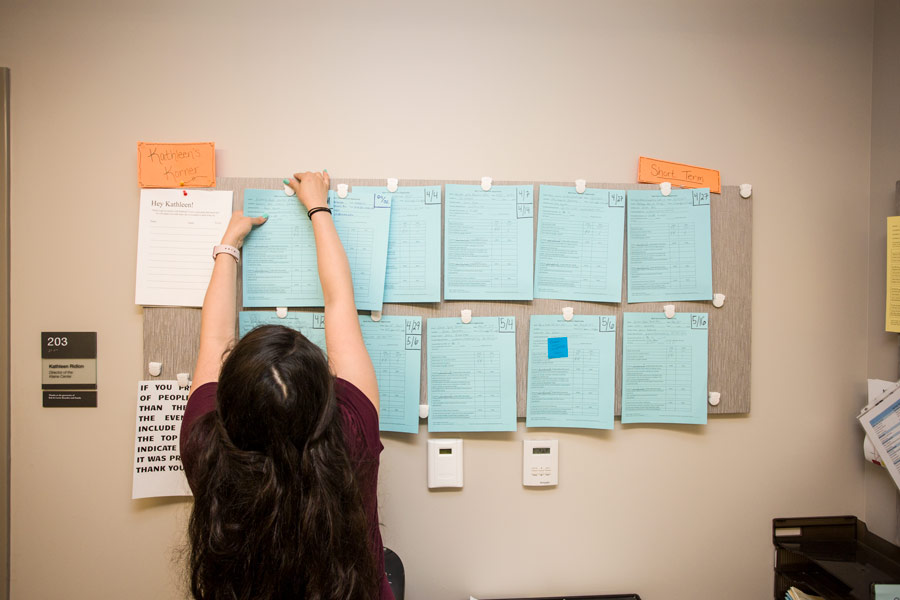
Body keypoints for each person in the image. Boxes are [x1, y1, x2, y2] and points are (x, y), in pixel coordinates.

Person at [179, 171, 394, 600]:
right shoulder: (352, 430)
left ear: (231, 399)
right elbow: (339, 303)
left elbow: (215, 338)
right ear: (324, 394)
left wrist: (228, 247)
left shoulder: (206, 445)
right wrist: (318, 207)